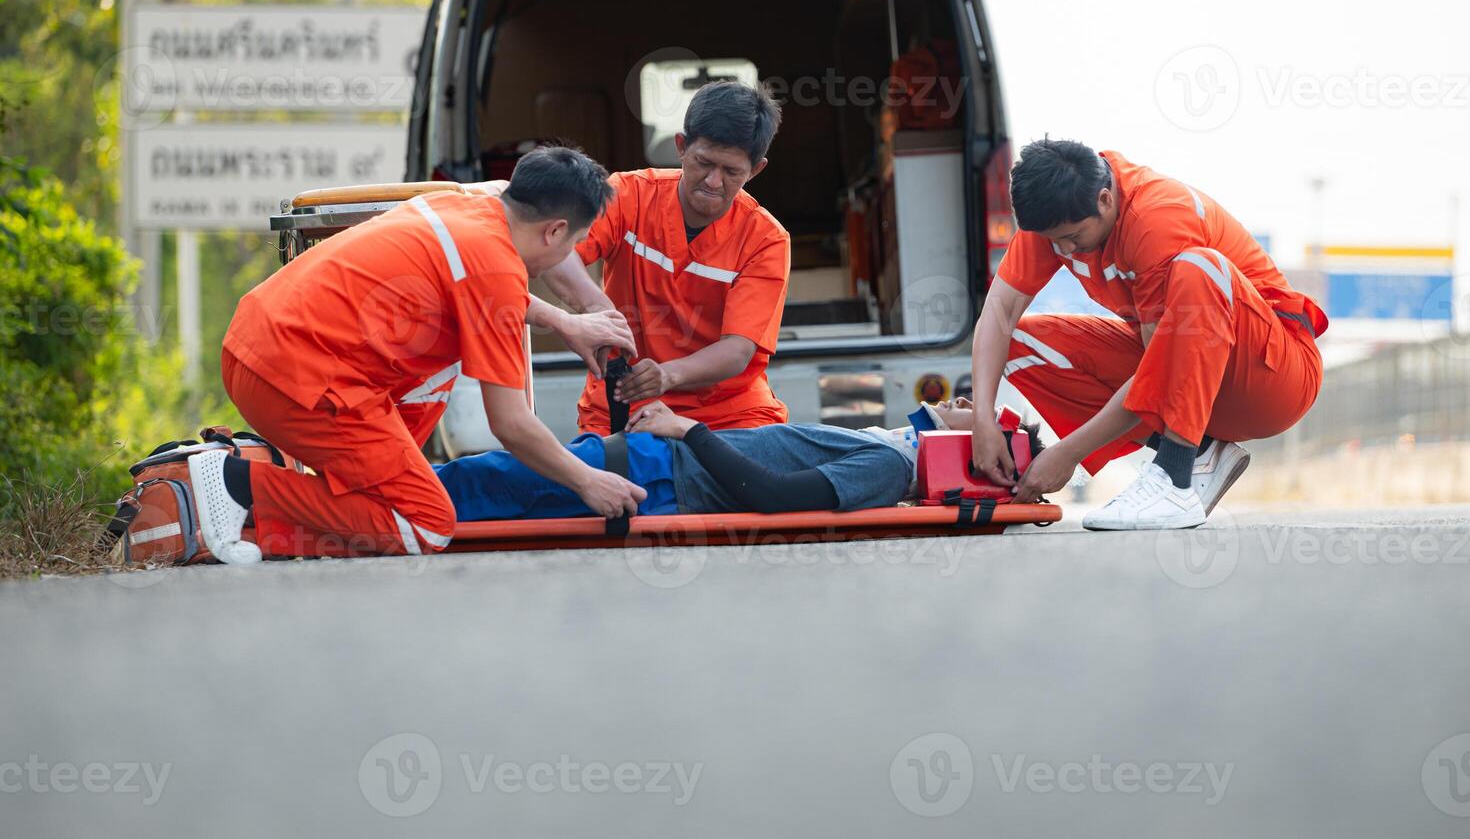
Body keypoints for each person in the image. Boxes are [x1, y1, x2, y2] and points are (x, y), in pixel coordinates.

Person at [191, 146, 647, 564]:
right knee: (426, 525)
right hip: (291, 380)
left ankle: (358, 495)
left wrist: (565, 321)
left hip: (257, 346)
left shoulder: (465, 204)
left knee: (441, 364)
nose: (570, 255)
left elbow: (481, 283)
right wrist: (588, 480)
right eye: (575, 245)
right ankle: (238, 485)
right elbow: (511, 425)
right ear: (555, 231)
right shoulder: (496, 271)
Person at [969, 138, 1327, 530]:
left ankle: (1175, 476)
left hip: (1272, 379)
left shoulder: (1156, 218)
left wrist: (1068, 453)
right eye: (1055, 241)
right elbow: (998, 313)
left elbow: (1159, 371)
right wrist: (982, 420)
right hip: (1194, 382)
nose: (1065, 249)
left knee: (1199, 268)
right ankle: (1204, 453)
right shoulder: (1058, 217)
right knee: (1021, 343)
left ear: (1105, 200)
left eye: (1072, 237)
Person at [537, 81, 792, 435]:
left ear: (755, 170)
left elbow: (737, 351)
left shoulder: (766, 239)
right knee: (601, 482)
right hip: (623, 396)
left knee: (760, 480)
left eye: (732, 172)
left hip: (731, 412)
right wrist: (598, 312)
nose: (714, 182)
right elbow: (554, 249)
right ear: (681, 146)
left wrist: (668, 375)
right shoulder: (627, 194)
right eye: (704, 163)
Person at [436, 399, 1005, 520]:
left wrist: (689, 430)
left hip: (657, 476)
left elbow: (774, 497)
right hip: (652, 465)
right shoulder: (887, 447)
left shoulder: (888, 470)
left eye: (982, 415)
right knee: (476, 486)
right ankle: (362, 502)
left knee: (472, 487)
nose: (968, 402)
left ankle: (365, 506)